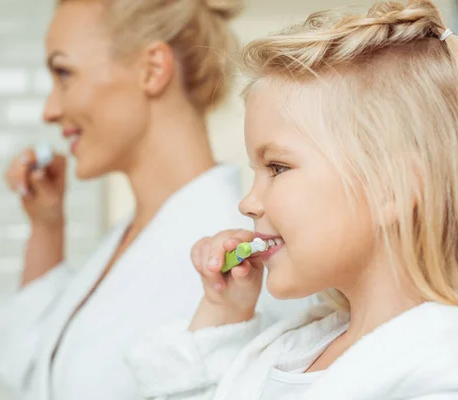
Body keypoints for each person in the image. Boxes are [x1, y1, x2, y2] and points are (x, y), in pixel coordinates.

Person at [0, 0, 318, 399]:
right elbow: (44, 367)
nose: (50, 109)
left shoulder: (242, 262)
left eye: (64, 73)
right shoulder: (130, 236)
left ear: (152, 69)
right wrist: (47, 225)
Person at [126, 1, 458, 398]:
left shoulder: (436, 371)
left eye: (277, 168)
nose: (247, 202)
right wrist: (224, 311)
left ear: (390, 188)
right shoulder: (293, 348)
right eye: (254, 171)